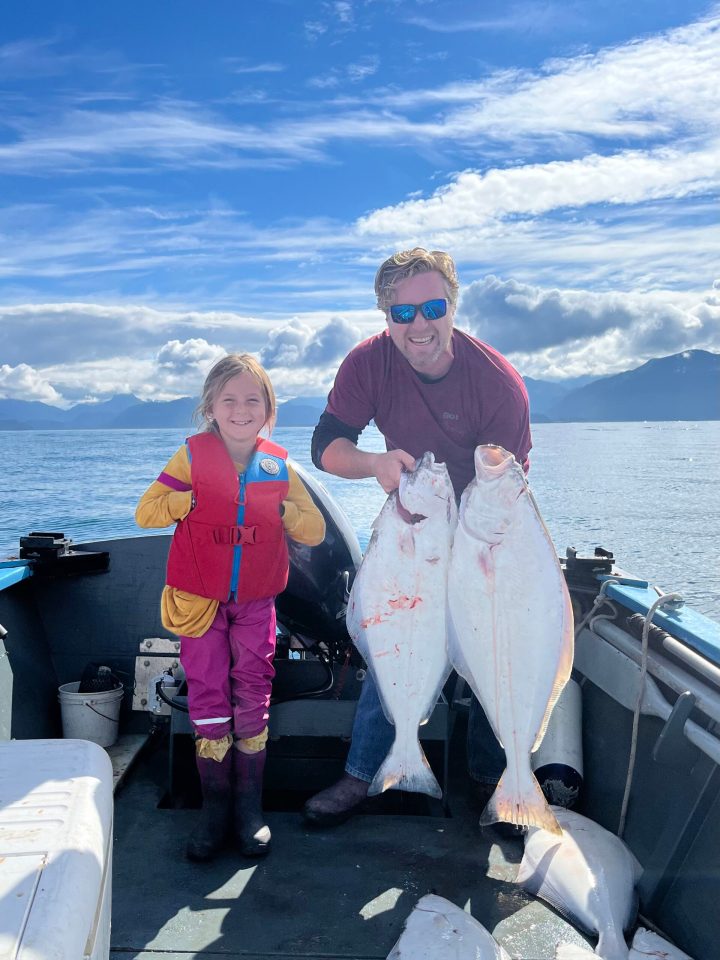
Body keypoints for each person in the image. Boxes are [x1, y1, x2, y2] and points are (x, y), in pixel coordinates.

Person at [303, 247, 531, 827]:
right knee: (395, 640)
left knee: (489, 654)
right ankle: (363, 774)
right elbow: (326, 444)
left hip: (482, 534)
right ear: (386, 317)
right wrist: (376, 465)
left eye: (432, 307)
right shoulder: (368, 364)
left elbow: (510, 485)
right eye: (402, 313)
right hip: (415, 529)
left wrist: (477, 544)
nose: (419, 325)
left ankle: (493, 783)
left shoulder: (498, 385)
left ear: (453, 305)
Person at [136, 353, 325, 861]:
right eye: (229, 400)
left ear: (267, 408)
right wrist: (188, 501)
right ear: (211, 408)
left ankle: (248, 810)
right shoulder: (190, 457)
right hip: (198, 601)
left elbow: (314, 529)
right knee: (208, 694)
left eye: (252, 400)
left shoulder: (280, 465)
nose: (241, 409)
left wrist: (282, 510)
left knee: (253, 691)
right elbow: (147, 511)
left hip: (256, 603)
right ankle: (214, 809)